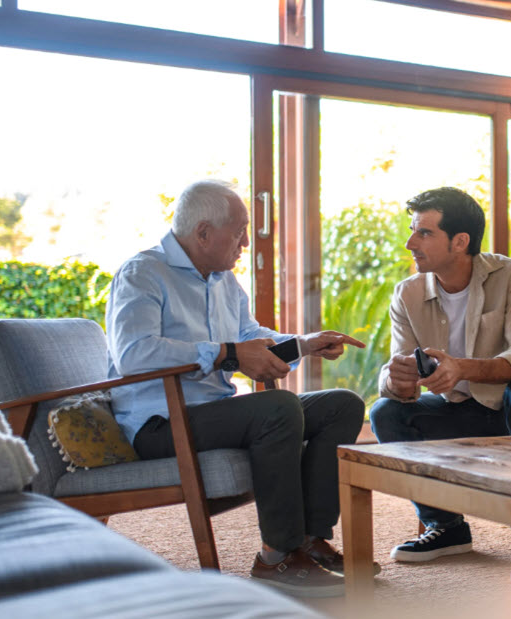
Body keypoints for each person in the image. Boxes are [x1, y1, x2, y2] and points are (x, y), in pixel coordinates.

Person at [106, 179, 369, 599]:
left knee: (342, 405)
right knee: (277, 407)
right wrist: (226, 353)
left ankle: (310, 541)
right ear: (203, 232)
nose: (246, 242)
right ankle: (276, 557)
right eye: (240, 231)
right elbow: (134, 355)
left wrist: (305, 343)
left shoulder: (223, 281)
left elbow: (250, 337)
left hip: (213, 414)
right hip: (160, 424)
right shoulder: (142, 274)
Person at [369, 187, 511, 585]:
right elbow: (399, 373)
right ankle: (445, 526)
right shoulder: (407, 294)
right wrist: (397, 380)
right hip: (459, 411)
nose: (411, 243)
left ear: (460, 241)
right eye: (413, 230)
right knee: (384, 412)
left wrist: (462, 368)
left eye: (424, 232)